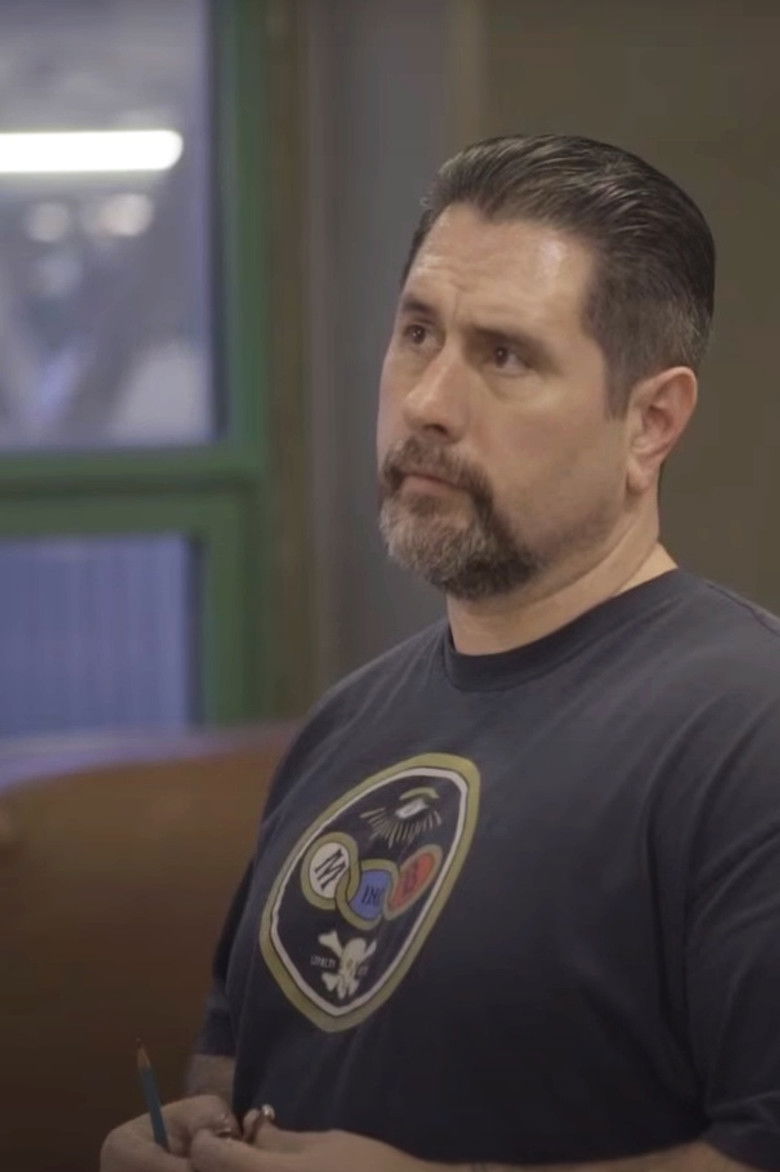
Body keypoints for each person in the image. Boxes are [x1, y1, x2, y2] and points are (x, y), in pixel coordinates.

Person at [101, 134, 780, 1172]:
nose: (427, 402)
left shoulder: (746, 728)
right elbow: (238, 1061)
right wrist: (187, 1132)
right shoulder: (349, 720)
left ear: (651, 422)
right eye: (419, 333)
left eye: (504, 356)